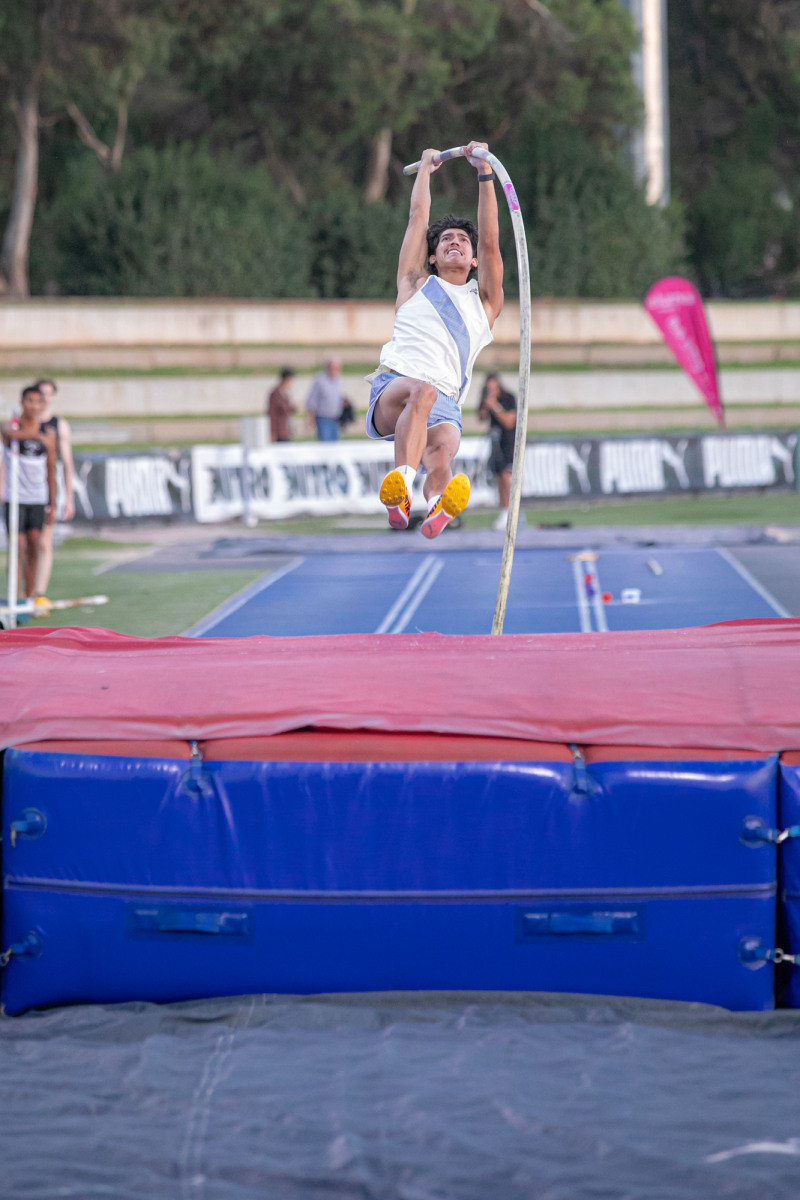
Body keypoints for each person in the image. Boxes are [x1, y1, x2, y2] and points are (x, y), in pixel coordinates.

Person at [365, 139, 504, 539]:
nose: (454, 242)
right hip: (397, 387)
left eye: (462, 240)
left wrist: (484, 173)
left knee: (441, 455)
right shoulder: (415, 283)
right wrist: (425, 170)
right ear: (432, 256)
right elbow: (417, 218)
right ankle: (402, 488)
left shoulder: (485, 304)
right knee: (421, 393)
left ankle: (438, 507)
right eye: (446, 240)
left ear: (473, 260)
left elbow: (491, 241)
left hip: (446, 401)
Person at [2, 386, 56, 606]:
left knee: (34, 546)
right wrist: (39, 437)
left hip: (37, 498)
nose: (33, 406)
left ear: (42, 405)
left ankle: (29, 595)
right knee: (18, 547)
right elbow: (9, 434)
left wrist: (53, 503)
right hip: (15, 499)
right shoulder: (11, 427)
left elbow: (51, 470)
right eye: (29, 401)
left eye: (37, 401)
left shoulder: (48, 432)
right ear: (22, 402)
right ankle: (14, 596)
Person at [34, 378, 75, 597]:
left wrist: (69, 497)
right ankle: (22, 592)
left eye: (49, 394)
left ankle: (39, 593)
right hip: (24, 490)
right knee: (23, 544)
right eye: (41, 393)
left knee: (44, 542)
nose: (45, 398)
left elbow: (67, 462)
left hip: (47, 490)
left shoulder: (58, 425)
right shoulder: (23, 422)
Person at [478, 372, 517, 530]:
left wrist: (495, 406)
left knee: (507, 476)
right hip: (495, 442)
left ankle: (512, 511)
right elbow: (481, 417)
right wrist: (486, 406)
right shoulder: (486, 398)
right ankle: (504, 512)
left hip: (509, 441)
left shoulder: (508, 398)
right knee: (499, 476)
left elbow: (509, 421)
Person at [306, 357, 347, 441]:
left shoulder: (336, 380)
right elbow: (312, 401)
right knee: (325, 445)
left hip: (335, 419)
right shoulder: (320, 381)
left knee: (335, 444)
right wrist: (311, 418)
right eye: (334, 368)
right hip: (323, 419)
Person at [267, 367, 297, 443]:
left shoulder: (285, 393)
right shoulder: (275, 394)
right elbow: (272, 414)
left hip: (285, 431)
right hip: (279, 432)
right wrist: (272, 432)